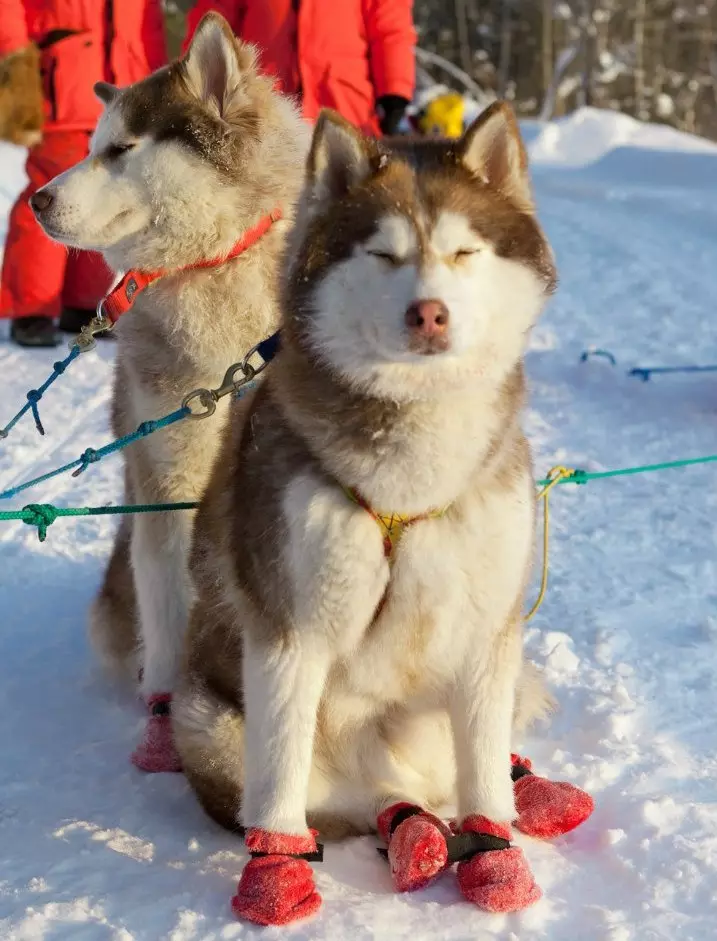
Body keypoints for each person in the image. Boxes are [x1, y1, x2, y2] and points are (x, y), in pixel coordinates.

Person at [0, 1, 167, 347]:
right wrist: (15, 61)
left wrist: (155, 80)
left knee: (105, 193)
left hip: (125, 89)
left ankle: (80, 304)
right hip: (63, 82)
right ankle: (32, 308)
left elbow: (147, 24)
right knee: (48, 190)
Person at [184, 0, 416, 137]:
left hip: (344, 103)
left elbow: (389, 24)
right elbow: (212, 17)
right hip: (265, 102)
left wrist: (394, 91)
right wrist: (195, 81)